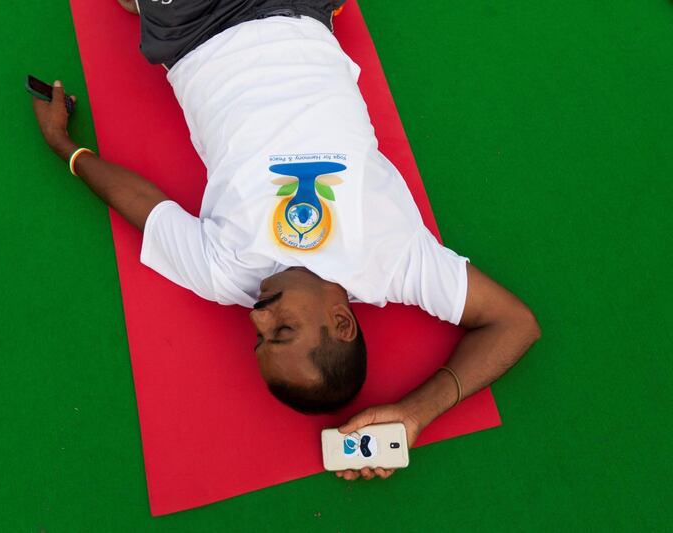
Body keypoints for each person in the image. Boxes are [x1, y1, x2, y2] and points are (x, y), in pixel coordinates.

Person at [31, 0, 540, 480]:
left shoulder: (225, 275)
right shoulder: (396, 261)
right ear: (341, 321)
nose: (256, 316)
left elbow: (143, 205)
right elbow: (514, 324)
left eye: (259, 336)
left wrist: (64, 147)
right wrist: (415, 412)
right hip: (296, 12)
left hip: (194, 32)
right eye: (281, 330)